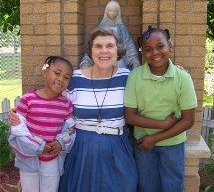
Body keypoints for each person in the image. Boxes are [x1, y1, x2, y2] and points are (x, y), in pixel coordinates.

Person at [9, 29, 176, 192]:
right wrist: (23, 114)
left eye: (110, 46)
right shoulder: (75, 78)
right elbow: (54, 101)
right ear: (91, 51)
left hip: (117, 148)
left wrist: (175, 70)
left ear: (118, 51)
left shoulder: (129, 76)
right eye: (98, 46)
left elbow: (153, 78)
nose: (104, 51)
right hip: (81, 149)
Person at [124, 26, 198, 192]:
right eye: (148, 49)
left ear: (170, 46)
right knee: (147, 187)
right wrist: (163, 124)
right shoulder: (135, 76)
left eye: (160, 46)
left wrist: (154, 139)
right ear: (142, 52)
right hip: (143, 145)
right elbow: (130, 116)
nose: (155, 53)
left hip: (172, 145)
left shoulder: (183, 78)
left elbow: (188, 120)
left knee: (172, 187)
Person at [8, 56, 76, 192]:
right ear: (45, 72)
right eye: (57, 73)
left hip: (52, 159)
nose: (61, 79)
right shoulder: (28, 100)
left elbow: (70, 129)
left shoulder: (66, 104)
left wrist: (60, 143)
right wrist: (38, 146)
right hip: (29, 160)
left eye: (66, 77)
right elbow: (18, 129)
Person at [79, 0, 140, 70]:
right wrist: (86, 62)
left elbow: (129, 44)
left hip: (118, 58)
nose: (113, 13)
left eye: (115, 11)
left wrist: (134, 60)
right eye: (110, 10)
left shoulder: (121, 28)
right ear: (106, 12)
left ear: (118, 13)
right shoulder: (100, 28)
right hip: (103, 57)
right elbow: (93, 46)